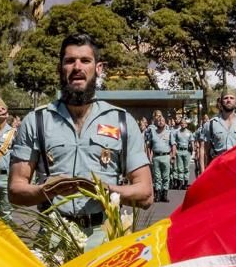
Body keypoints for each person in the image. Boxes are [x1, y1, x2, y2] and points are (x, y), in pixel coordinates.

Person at [9, 33, 152, 250]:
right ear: (60, 69)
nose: (77, 67)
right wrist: (47, 190)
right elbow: (15, 190)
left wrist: (107, 191)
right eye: (69, 61)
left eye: (85, 60)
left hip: (106, 240)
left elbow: (145, 193)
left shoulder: (122, 121)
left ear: (99, 68)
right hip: (53, 239)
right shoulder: (36, 121)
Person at [201, 88, 236, 169]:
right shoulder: (211, 124)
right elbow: (204, 151)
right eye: (226, 98)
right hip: (218, 168)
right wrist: (203, 172)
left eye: (232, 98)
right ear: (221, 102)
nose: (229, 100)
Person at [146, 111, 175, 202]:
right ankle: (157, 194)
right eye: (159, 121)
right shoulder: (152, 132)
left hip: (166, 156)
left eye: (162, 120)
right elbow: (148, 146)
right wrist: (149, 157)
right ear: (156, 122)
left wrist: (172, 156)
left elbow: (173, 145)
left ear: (165, 122)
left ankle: (164, 195)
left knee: (166, 177)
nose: (160, 122)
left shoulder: (169, 132)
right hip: (156, 157)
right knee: (157, 177)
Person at [173, 119, 194, 189]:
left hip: (187, 151)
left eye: (184, 123)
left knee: (186, 168)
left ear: (186, 124)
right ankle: (180, 183)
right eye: (181, 123)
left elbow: (192, 142)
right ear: (180, 124)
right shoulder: (177, 132)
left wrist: (192, 150)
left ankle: (185, 184)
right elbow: (174, 142)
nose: (183, 124)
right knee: (180, 168)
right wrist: (174, 151)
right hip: (179, 151)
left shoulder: (189, 132)